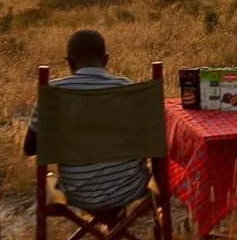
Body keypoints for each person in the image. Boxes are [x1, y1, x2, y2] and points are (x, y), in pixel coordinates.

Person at [22, 29, 147, 213]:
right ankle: (115, 227)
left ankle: (110, 230)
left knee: (50, 177)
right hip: (129, 190)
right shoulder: (126, 88)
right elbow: (146, 140)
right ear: (106, 60)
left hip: (75, 193)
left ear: (69, 63)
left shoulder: (53, 93)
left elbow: (30, 148)